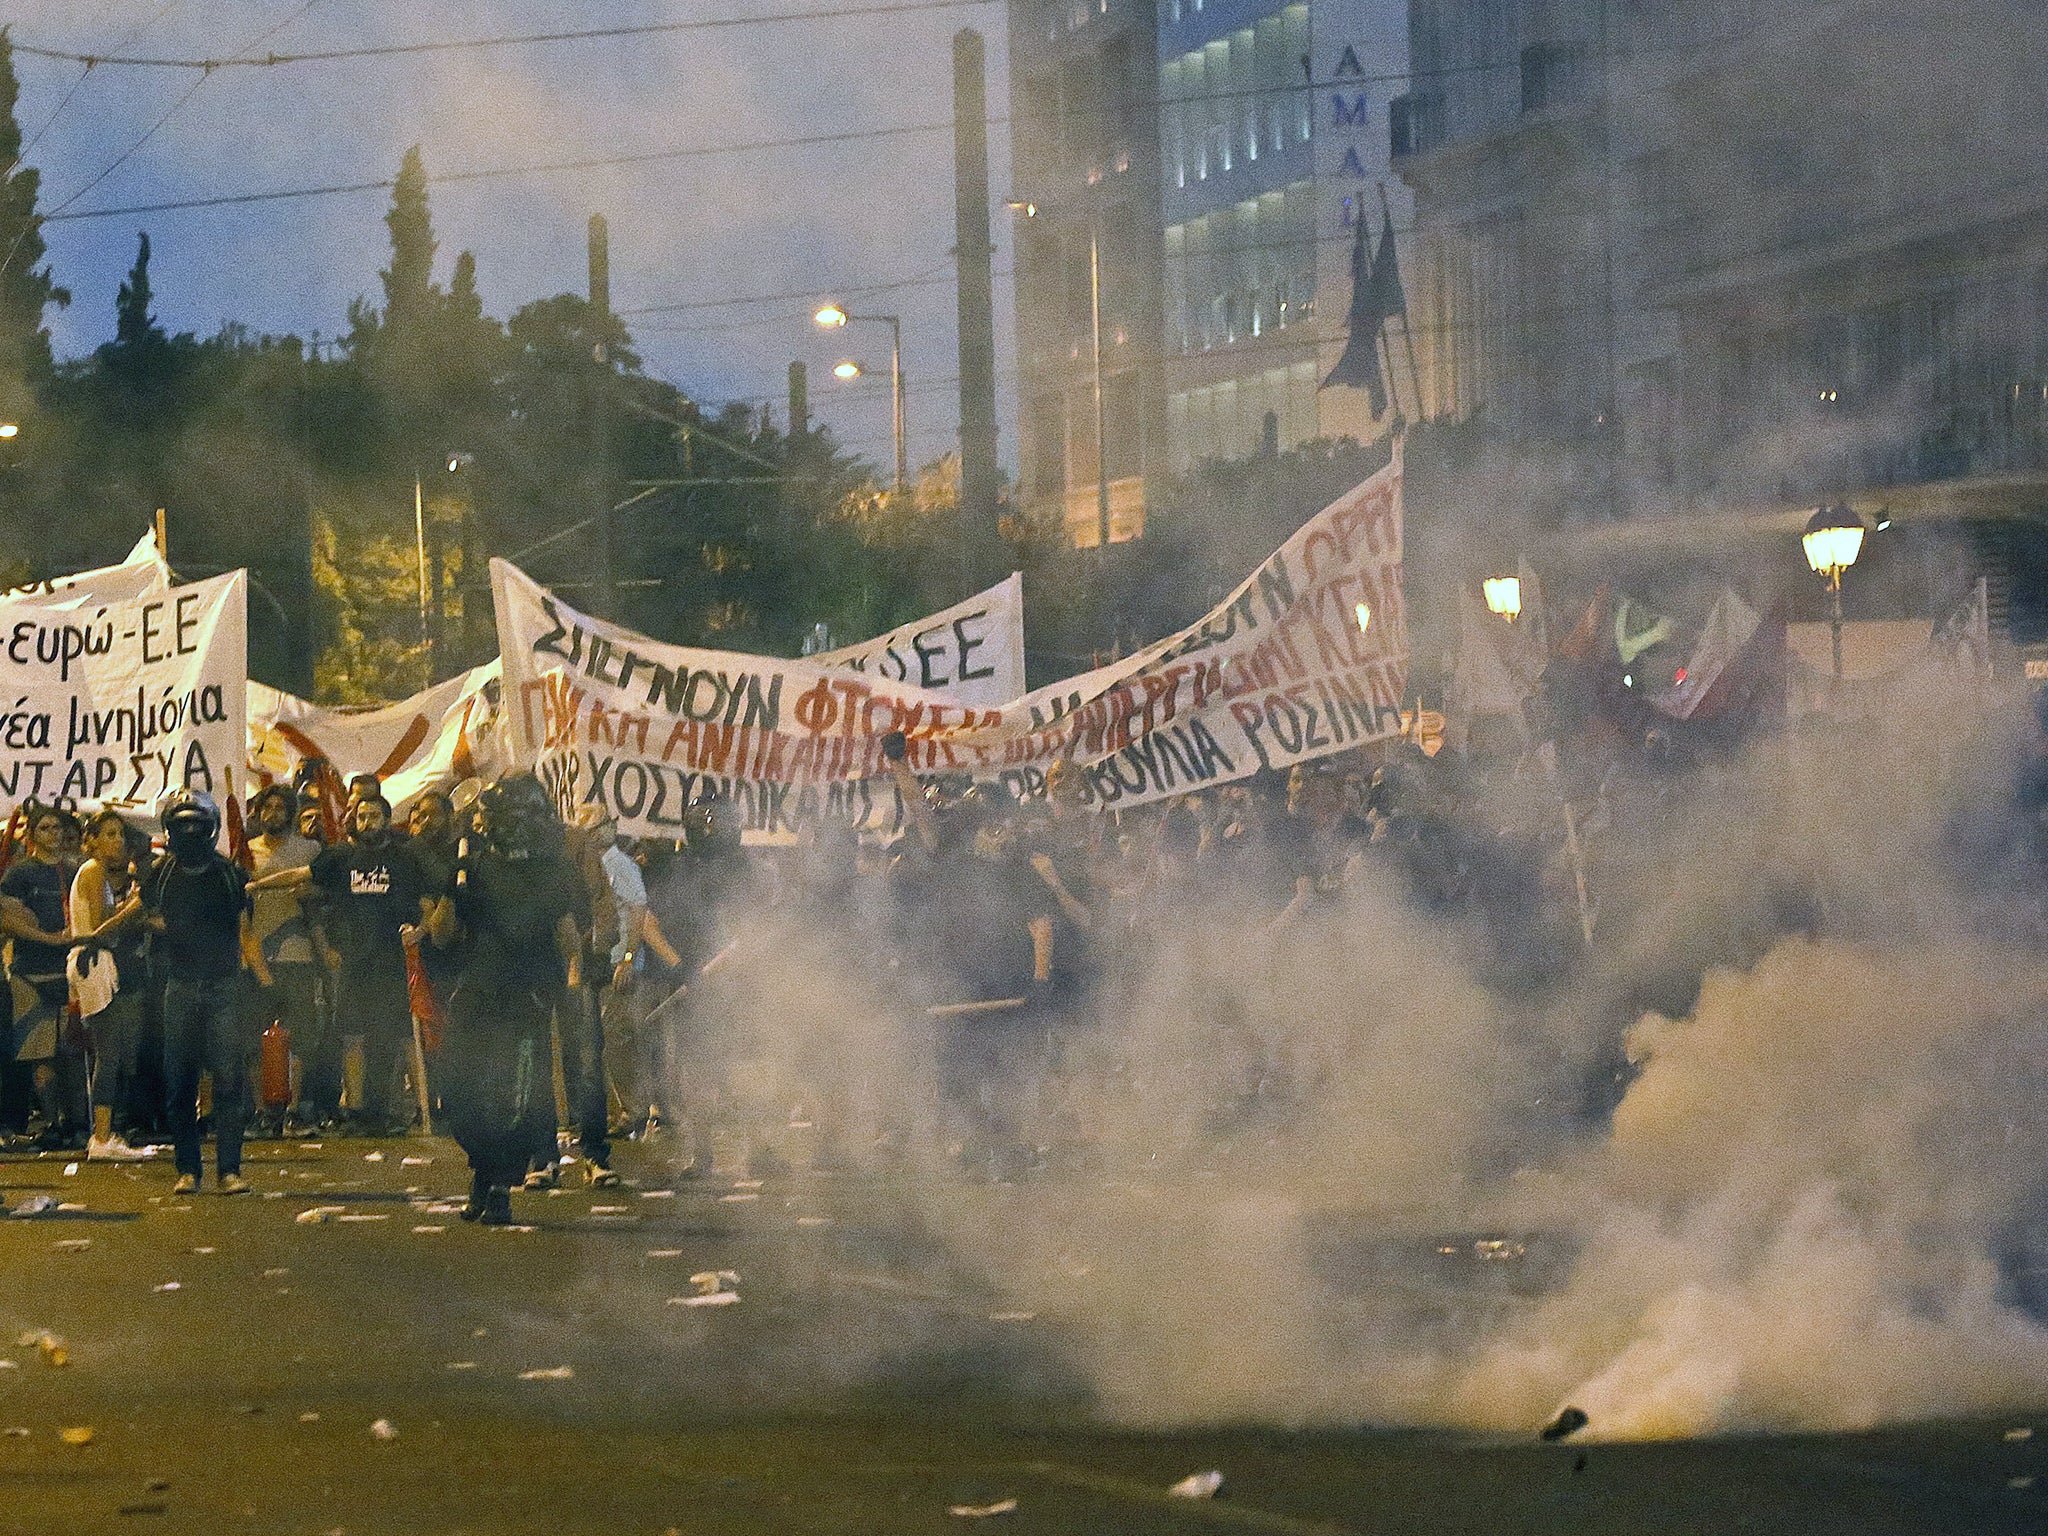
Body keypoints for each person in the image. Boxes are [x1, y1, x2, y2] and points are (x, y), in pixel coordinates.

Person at [434, 776, 582, 1225]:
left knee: (511, 1099)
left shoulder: (556, 869)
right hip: (476, 991)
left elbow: (571, 938)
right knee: (455, 1093)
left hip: (528, 997)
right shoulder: (471, 867)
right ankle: (483, 1167)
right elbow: (442, 937)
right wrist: (452, 897)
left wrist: (571, 984)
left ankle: (498, 1186)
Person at [263, 794, 437, 1135]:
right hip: (354, 959)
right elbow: (300, 874)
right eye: (362, 817)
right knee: (352, 1036)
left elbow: (429, 903)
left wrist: (419, 931)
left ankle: (405, 1110)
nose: (367, 822)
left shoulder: (405, 858)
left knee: (397, 1037)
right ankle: (355, 1111)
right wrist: (257, 885)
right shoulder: (342, 855)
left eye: (374, 816)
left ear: (387, 820)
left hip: (393, 960)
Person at [141, 791, 261, 1195]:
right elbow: (148, 913)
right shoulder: (160, 873)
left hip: (223, 987)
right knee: (180, 1081)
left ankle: (230, 1170)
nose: (189, 833)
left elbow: (245, 929)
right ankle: (187, 1170)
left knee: (228, 1081)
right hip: (180, 987)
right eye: (182, 825)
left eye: (196, 825)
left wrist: (263, 981)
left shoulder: (230, 874)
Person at [69, 810, 153, 1159]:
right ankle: (101, 1137)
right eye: (109, 834)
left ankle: (105, 1133)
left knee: (112, 1053)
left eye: (120, 834)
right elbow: (102, 927)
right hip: (94, 960)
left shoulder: (96, 873)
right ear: (91, 841)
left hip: (98, 962)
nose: (117, 841)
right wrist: (135, 905)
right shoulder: (92, 871)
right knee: (109, 1052)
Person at [2, 804, 86, 1149]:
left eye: (58, 828)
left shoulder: (76, 870)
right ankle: (51, 1123)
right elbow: (7, 921)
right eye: (46, 828)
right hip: (31, 976)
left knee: (72, 1054)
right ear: (32, 834)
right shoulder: (20, 874)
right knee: (40, 1054)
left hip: (70, 975)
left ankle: (74, 1123)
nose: (54, 834)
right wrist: (50, 938)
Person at [246, 785, 329, 1133]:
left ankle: (292, 1111)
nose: (274, 813)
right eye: (269, 808)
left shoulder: (310, 851)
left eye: (282, 808)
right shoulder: (245, 852)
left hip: (299, 954)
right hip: (256, 955)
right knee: (253, 1039)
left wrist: (311, 894)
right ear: (259, 813)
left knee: (300, 1037)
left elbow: (326, 891)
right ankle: (262, 1111)